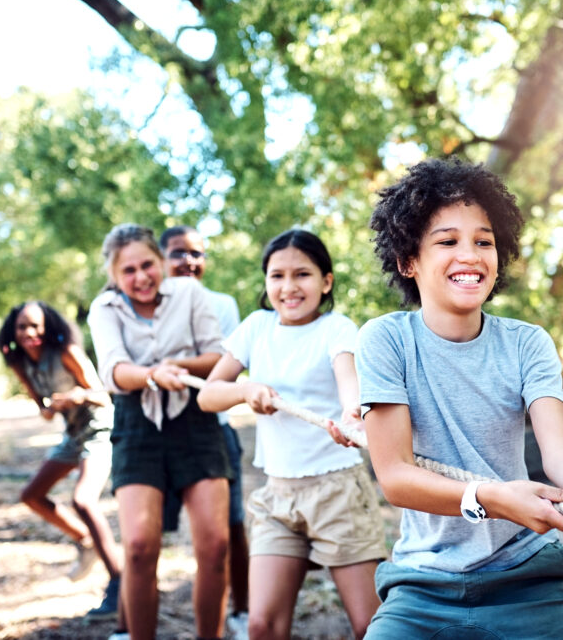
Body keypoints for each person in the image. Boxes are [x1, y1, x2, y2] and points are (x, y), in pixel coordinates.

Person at [355, 158, 563, 638]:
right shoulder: (386, 341)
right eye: (447, 241)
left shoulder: (527, 344)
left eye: (484, 241)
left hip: (530, 579)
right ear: (408, 260)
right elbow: (396, 477)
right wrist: (493, 499)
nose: (471, 254)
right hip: (423, 585)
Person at [197, 229, 386, 640]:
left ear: (326, 281)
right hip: (277, 497)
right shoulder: (256, 328)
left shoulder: (336, 328)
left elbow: (347, 378)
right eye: (276, 275)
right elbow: (209, 395)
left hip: (338, 493)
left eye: (302, 274)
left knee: (369, 626)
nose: (288, 287)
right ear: (266, 282)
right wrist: (246, 390)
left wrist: (352, 414)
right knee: (262, 626)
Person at [87, 223, 231, 640]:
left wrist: (179, 369)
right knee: (138, 547)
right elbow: (113, 371)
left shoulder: (188, 293)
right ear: (114, 276)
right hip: (136, 424)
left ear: (161, 262)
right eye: (128, 270)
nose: (141, 277)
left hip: (195, 420)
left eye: (147, 264)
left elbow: (218, 355)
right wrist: (152, 374)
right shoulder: (104, 309)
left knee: (215, 546)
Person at [0, 301, 122, 620]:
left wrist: (77, 396)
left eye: (36, 326)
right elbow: (42, 408)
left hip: (100, 428)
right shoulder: (20, 363)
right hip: (72, 433)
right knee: (32, 496)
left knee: (83, 500)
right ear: (13, 331)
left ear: (48, 327)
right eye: (23, 327)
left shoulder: (67, 352)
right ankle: (85, 540)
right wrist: (49, 408)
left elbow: (104, 395)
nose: (30, 333)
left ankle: (120, 583)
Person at [159, 225, 251, 638]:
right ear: (161, 259)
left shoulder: (222, 303)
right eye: (178, 252)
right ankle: (126, 614)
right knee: (144, 537)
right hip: (159, 434)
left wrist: (170, 363)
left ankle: (242, 609)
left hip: (215, 430)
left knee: (230, 527)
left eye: (196, 253)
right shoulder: (149, 302)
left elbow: (222, 366)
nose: (188, 261)